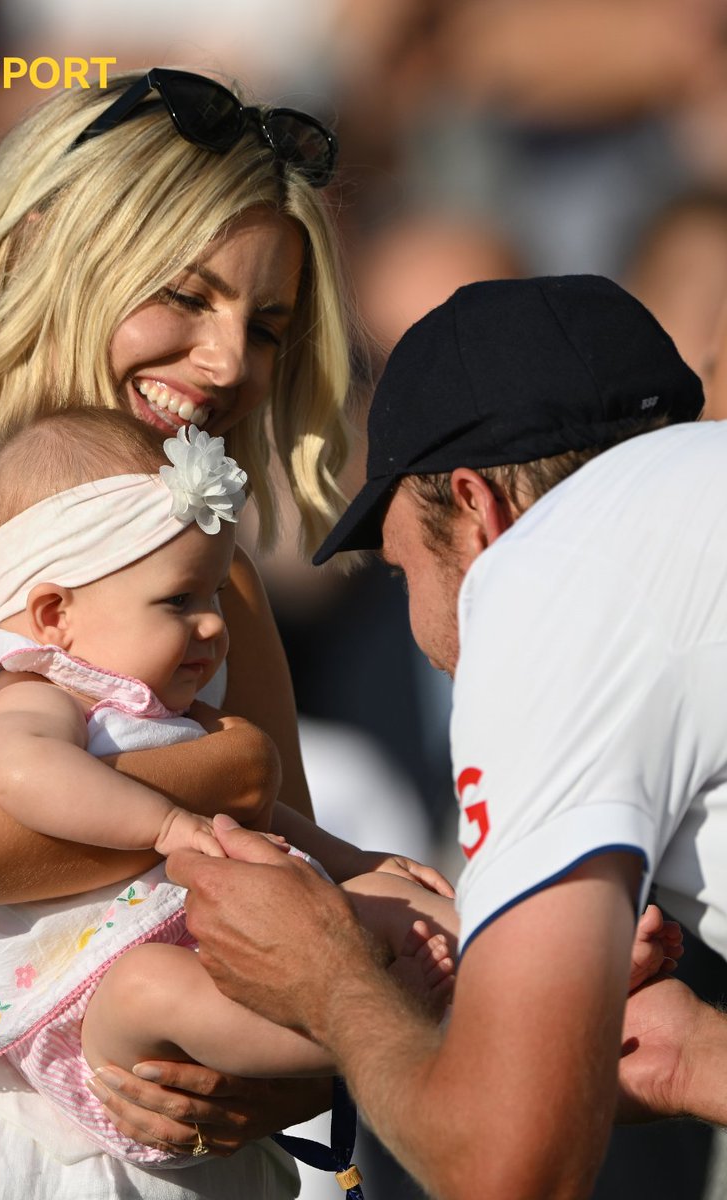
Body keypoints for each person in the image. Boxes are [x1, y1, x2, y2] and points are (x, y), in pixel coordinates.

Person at [0, 66, 359, 1198]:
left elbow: (277, 898)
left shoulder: (205, 556)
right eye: (185, 296)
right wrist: (234, 767)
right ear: (44, 245)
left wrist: (276, 1082)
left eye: (267, 324)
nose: (229, 361)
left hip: (202, 1157)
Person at [163, 274, 727, 1200]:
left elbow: (507, 1172)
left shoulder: (545, 577)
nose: (426, 637)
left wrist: (327, 980)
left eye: (400, 568)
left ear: (476, 511)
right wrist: (700, 1061)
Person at [0, 407, 457, 1167]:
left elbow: (257, 812)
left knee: (397, 897)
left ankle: (532, 964)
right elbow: (22, 772)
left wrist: (354, 860)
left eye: (213, 599)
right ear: (55, 614)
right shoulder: (38, 689)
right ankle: (382, 1033)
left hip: (231, 941)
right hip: (101, 1017)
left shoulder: (165, 708)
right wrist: (162, 825)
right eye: (179, 601)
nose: (210, 627)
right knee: (153, 987)